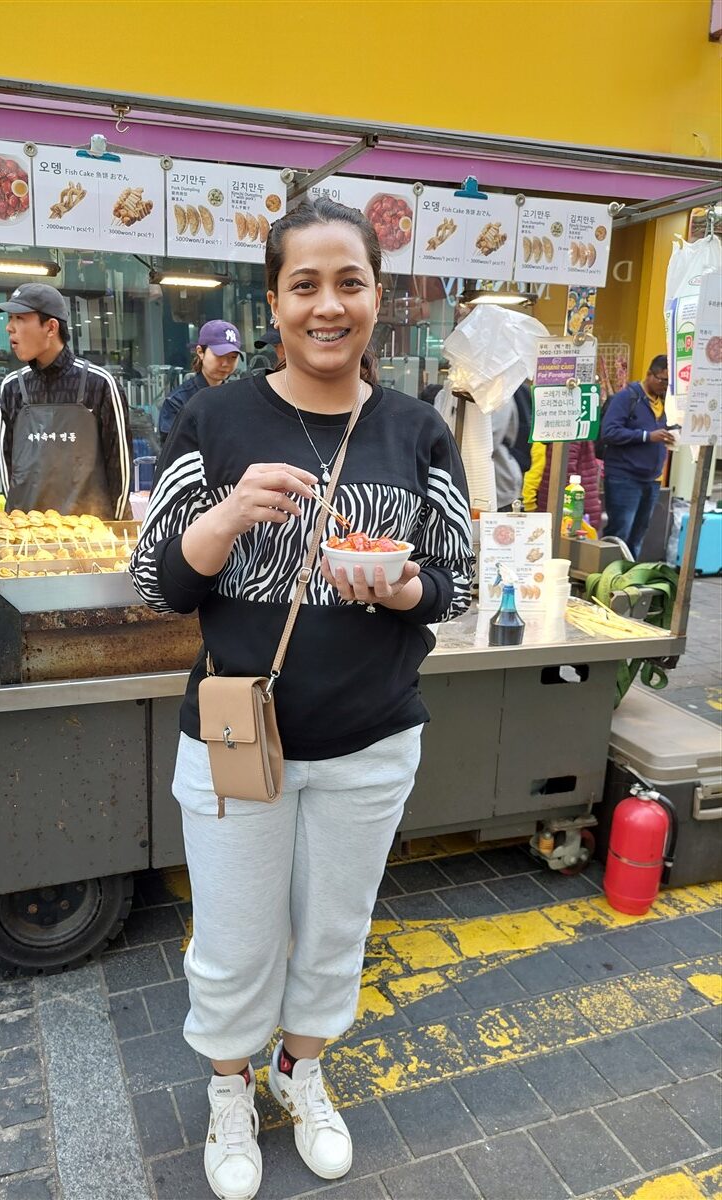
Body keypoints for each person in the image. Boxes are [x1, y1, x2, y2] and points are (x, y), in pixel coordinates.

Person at [131, 197, 473, 1200]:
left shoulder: (415, 429)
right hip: (239, 732)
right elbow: (158, 580)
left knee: (335, 932)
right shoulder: (216, 417)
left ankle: (301, 1072)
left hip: (370, 741)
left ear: (378, 296)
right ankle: (229, 1090)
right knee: (235, 936)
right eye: (305, 285)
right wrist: (232, 513)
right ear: (274, 300)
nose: (329, 306)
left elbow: (457, 578)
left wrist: (405, 586)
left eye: (350, 283)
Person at [0, 283, 132, 518]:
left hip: (91, 536)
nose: (9, 328)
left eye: (19, 318)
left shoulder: (99, 385)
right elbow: (7, 468)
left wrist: (115, 531)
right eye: (10, 318)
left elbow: (120, 469)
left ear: (51, 327)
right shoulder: (12, 388)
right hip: (30, 536)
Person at [601, 354, 674, 558]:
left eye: (670, 382)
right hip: (624, 478)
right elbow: (609, 431)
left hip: (652, 479)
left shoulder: (665, 402)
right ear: (649, 374)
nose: (665, 386)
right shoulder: (626, 398)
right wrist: (646, 436)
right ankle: (609, 577)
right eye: (662, 380)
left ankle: (628, 578)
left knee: (638, 535)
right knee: (620, 533)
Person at [157, 319, 242, 444]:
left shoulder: (238, 397)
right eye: (219, 355)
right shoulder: (178, 402)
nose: (225, 364)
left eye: (233, 357)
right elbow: (172, 450)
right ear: (200, 352)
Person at [523, 438, 601, 530]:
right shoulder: (577, 434)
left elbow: (565, 473)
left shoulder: (568, 437)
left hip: (570, 508)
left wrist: (529, 503)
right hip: (579, 504)